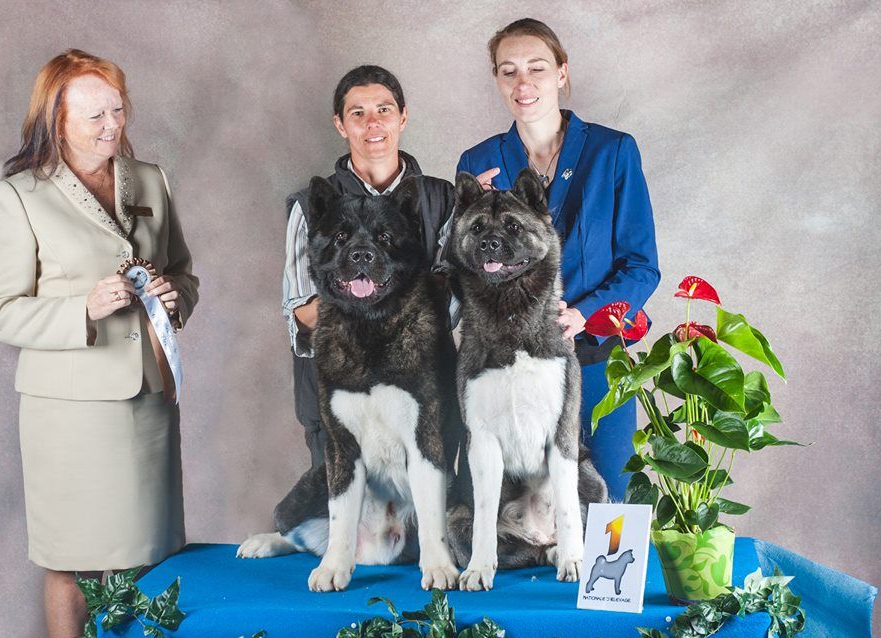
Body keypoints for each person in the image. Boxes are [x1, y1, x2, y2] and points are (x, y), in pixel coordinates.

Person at [0, 49, 199, 638]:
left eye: (117, 111)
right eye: (93, 116)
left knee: (149, 556)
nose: (112, 127)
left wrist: (173, 296)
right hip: (68, 414)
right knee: (72, 561)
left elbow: (182, 272)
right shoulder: (20, 197)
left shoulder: (150, 178)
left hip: (150, 398)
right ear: (55, 120)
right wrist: (84, 309)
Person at [456, 19, 660, 498]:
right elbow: (465, 269)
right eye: (508, 72)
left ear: (562, 73)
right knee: (518, 499)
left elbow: (641, 265)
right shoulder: (478, 160)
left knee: (614, 495)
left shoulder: (612, 151)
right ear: (497, 80)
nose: (522, 84)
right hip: (508, 362)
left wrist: (583, 314)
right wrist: (474, 222)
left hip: (594, 355)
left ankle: (613, 576)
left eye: (537, 68)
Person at [283, 65, 456, 469]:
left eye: (383, 109)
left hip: (425, 393)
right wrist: (398, 301)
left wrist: (355, 303)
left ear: (403, 117)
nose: (372, 123)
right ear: (340, 125)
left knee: (431, 524)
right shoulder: (310, 204)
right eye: (357, 113)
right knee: (346, 527)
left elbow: (450, 306)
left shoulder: (442, 199)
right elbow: (301, 313)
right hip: (340, 394)